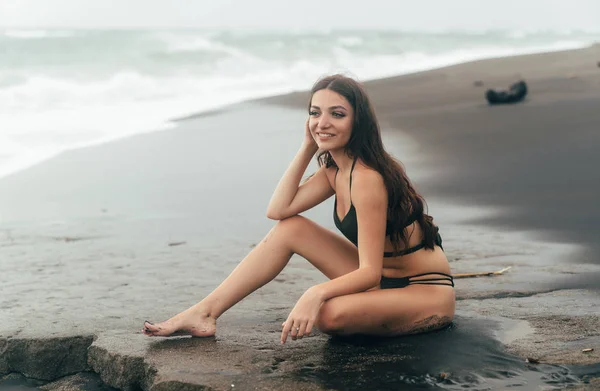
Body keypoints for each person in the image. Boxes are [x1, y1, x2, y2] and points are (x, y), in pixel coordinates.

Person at [143, 74, 455, 344]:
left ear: (357, 120)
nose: (323, 123)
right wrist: (307, 146)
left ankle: (383, 313)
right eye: (315, 113)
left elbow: (369, 273)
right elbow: (279, 210)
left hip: (423, 290)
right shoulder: (335, 170)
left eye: (337, 114)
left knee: (328, 315)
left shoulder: (367, 179)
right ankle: (205, 312)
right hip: (382, 280)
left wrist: (315, 293)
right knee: (290, 228)